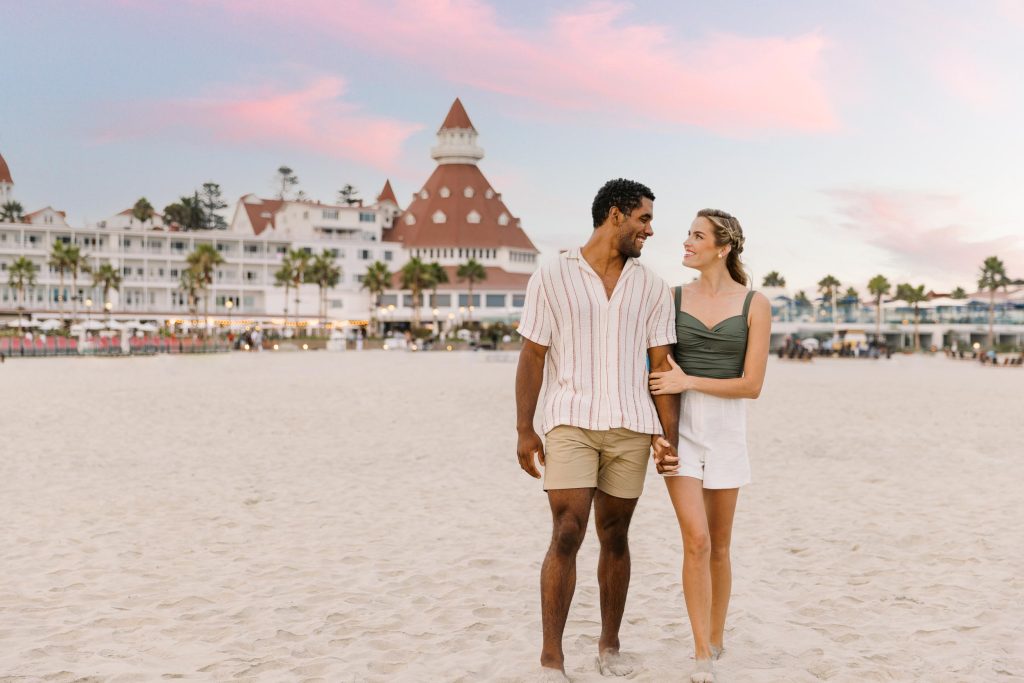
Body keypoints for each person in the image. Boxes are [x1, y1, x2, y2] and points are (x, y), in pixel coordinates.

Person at [515, 178, 681, 681]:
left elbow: (661, 366)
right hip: (570, 420)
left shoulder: (651, 285)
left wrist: (665, 435)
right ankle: (551, 657)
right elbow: (532, 355)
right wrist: (525, 429)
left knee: (616, 534)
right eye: (644, 219)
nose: (650, 230)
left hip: (631, 424)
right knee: (567, 530)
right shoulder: (551, 275)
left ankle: (609, 647)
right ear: (615, 214)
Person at [648, 209, 771, 683]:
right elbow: (657, 375)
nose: (686, 242)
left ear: (723, 248)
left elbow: (752, 385)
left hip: (728, 432)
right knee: (696, 541)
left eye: (697, 236)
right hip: (682, 431)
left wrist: (687, 379)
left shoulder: (754, 304)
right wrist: (659, 434)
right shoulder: (671, 298)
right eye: (688, 234)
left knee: (720, 546)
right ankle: (701, 653)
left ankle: (717, 638)